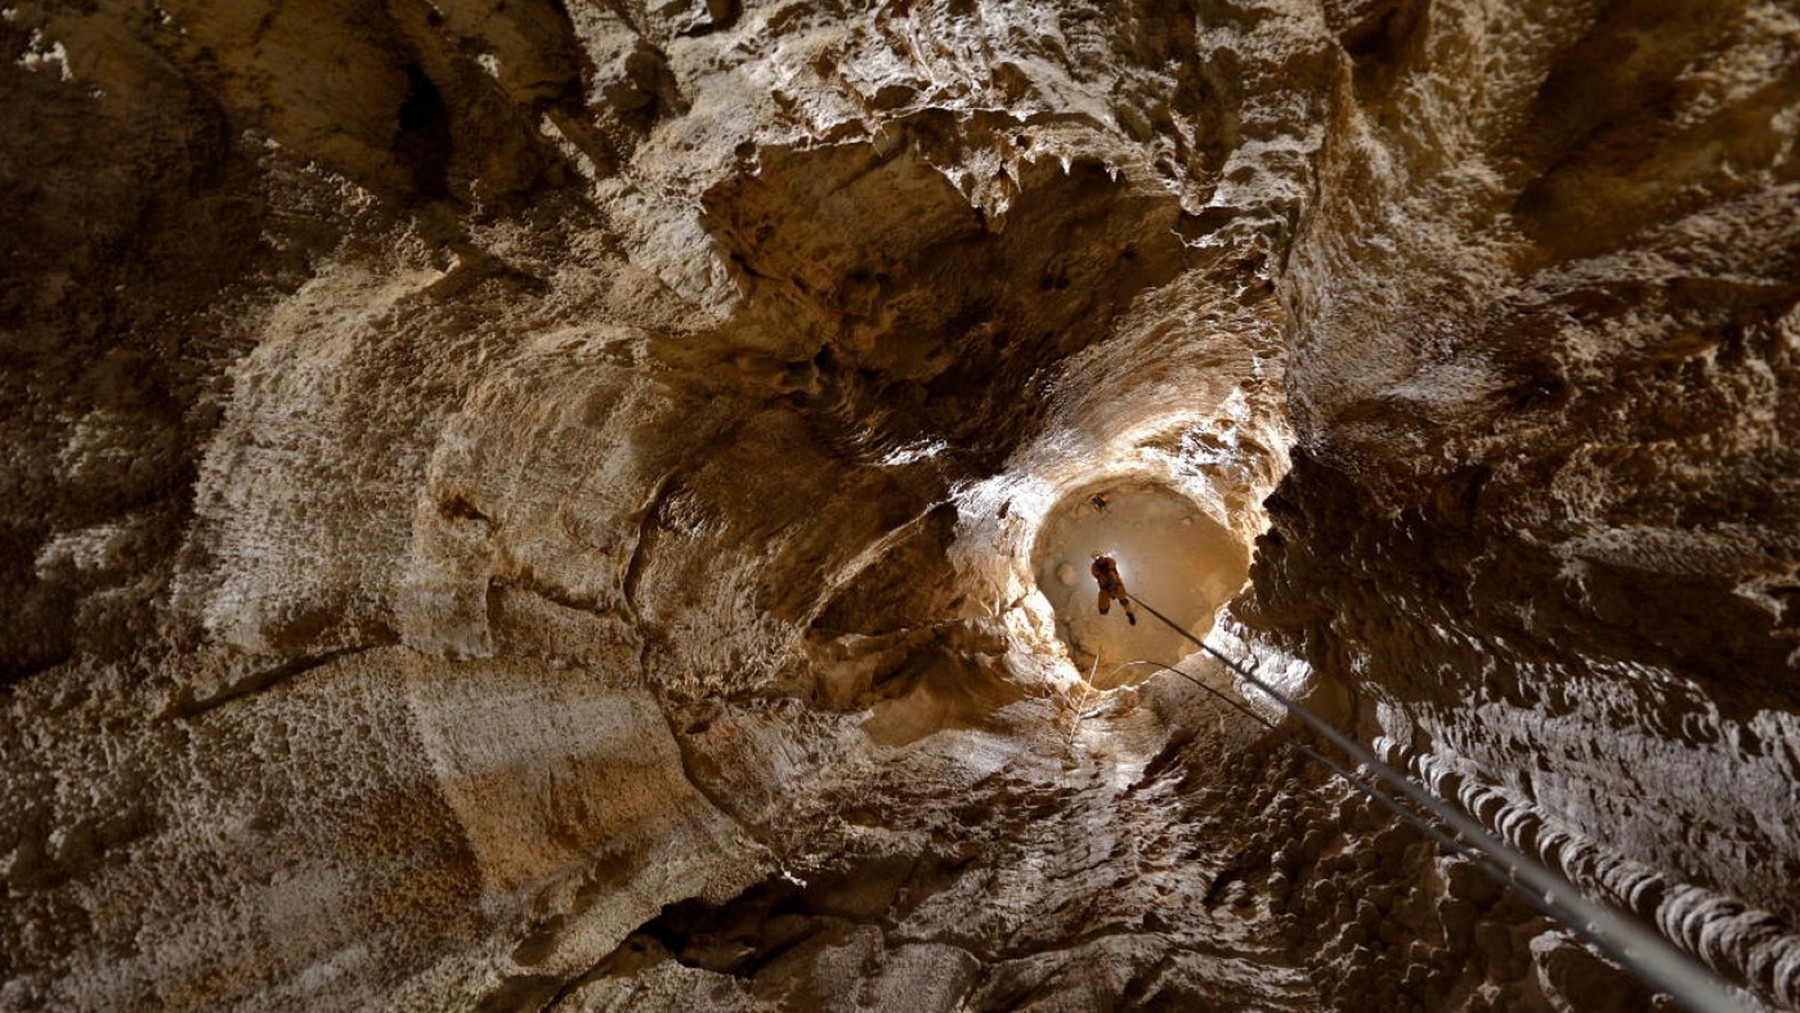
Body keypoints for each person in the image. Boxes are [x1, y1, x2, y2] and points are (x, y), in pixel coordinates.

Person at [1090, 554, 1137, 625]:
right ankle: (1104, 609)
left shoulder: (1109, 562)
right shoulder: (1095, 568)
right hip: (1104, 587)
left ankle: (1129, 613)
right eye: (1097, 560)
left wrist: (1113, 582)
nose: (1100, 561)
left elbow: (1113, 572)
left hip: (1116, 583)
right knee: (1103, 604)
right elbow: (1099, 576)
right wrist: (1105, 583)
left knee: (1122, 597)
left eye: (1100, 558)